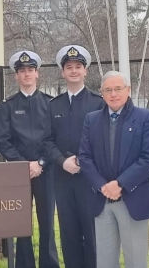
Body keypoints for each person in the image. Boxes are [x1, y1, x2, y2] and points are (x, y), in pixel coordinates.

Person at [77, 70, 149, 268]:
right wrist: (102, 186)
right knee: (105, 262)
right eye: (108, 90)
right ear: (102, 93)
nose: (113, 94)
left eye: (118, 89)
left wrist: (120, 184)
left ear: (128, 90)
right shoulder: (92, 119)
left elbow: (148, 158)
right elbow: (85, 157)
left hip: (133, 199)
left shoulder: (145, 118)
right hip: (102, 199)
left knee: (136, 261)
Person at [0, 50, 60, 268]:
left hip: (46, 170)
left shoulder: (50, 104)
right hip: (19, 172)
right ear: (16, 76)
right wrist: (24, 164)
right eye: (22, 71)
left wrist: (41, 162)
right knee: (22, 224)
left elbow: (55, 139)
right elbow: (3, 141)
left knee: (46, 224)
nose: (26, 75)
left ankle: (48, 264)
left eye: (30, 70)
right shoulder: (8, 106)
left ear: (37, 74)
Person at [48, 45, 104, 268]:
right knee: (68, 236)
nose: (73, 71)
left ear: (85, 71)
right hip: (62, 180)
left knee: (92, 237)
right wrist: (62, 162)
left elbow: (101, 141)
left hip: (89, 181)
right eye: (69, 67)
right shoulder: (53, 105)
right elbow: (47, 141)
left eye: (78, 67)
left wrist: (81, 161)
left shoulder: (98, 103)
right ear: (62, 72)